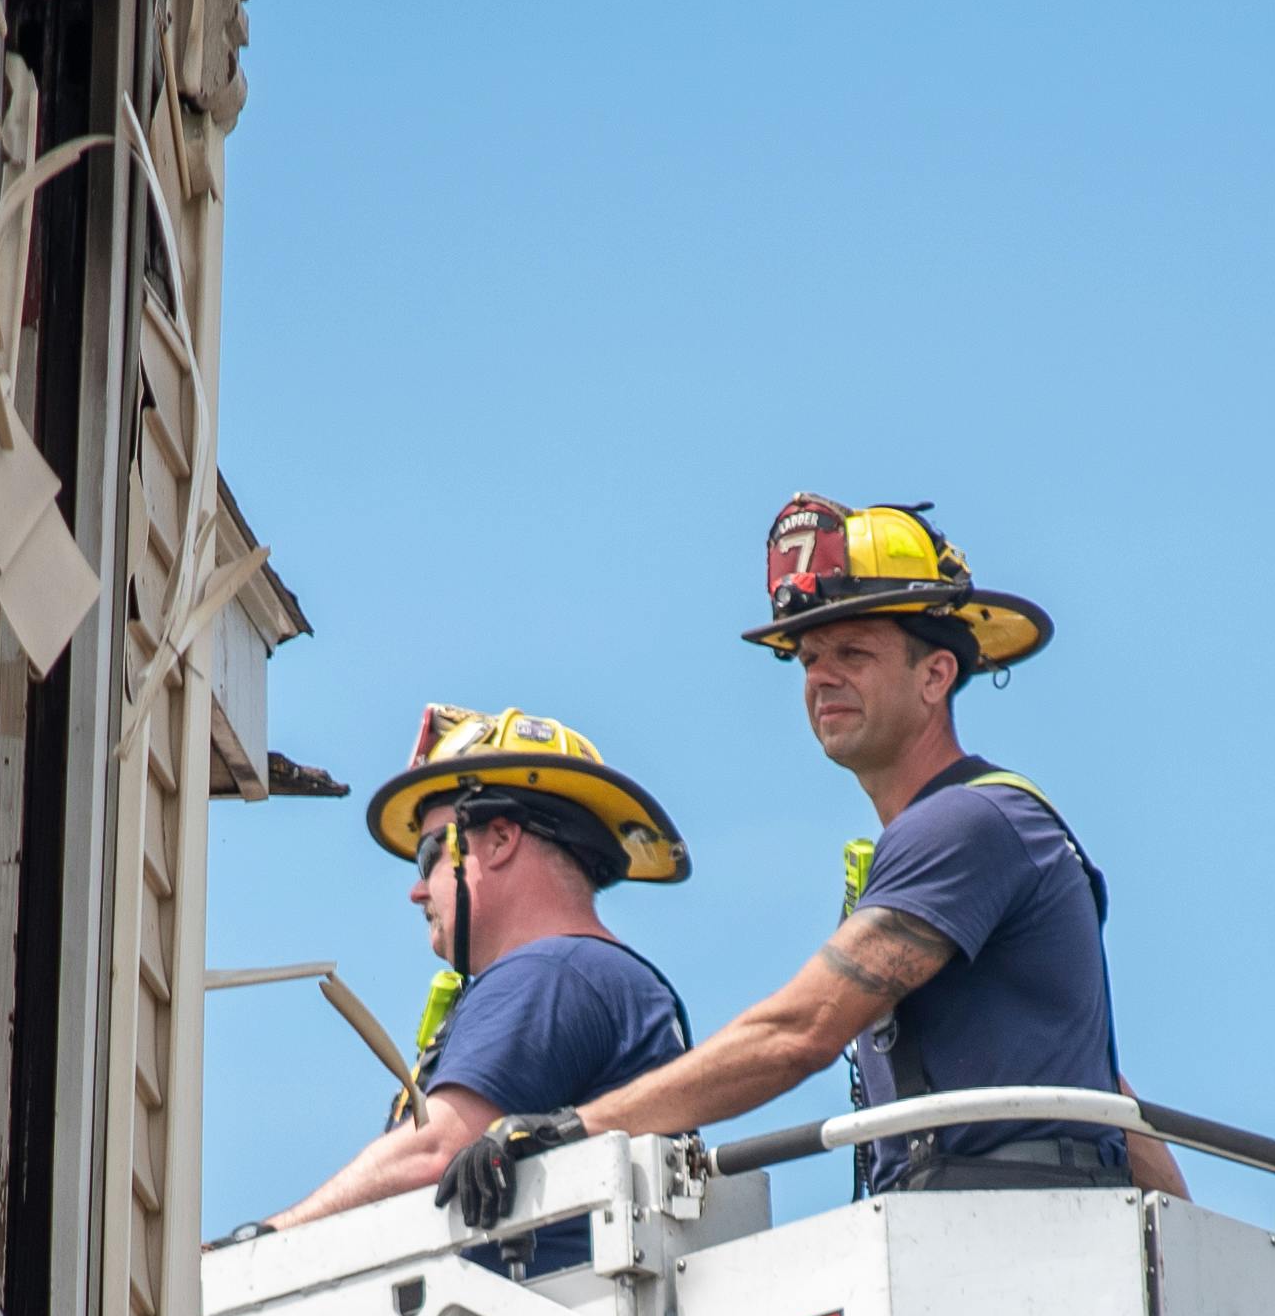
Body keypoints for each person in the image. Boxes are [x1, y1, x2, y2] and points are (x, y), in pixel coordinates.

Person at [448, 493, 1172, 1224]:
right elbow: (1106, 1093)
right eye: (808, 658)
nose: (822, 677)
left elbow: (800, 1031)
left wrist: (575, 1127)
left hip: (1007, 1237)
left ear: (936, 675)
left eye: (854, 653)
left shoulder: (967, 823)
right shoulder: (959, 832)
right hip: (997, 1235)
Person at [266, 708, 695, 1265]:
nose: (417, 892)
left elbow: (435, 1153)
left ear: (498, 839)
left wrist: (260, 1249)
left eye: (429, 856)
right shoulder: (602, 979)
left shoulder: (549, 975)